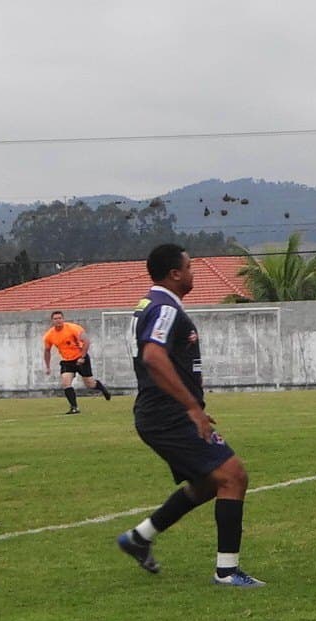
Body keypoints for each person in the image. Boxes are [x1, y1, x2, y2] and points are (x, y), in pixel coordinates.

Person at [113, 244, 263, 587]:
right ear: (175, 274)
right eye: (190, 267)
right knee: (233, 476)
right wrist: (192, 407)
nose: (193, 273)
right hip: (169, 415)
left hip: (160, 413)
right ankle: (227, 572)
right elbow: (153, 356)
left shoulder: (152, 304)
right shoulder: (165, 308)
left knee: (210, 482)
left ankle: (139, 537)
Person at [42, 311, 112, 414]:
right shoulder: (49, 335)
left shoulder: (73, 328)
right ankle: (74, 407)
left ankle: (101, 388)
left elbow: (86, 341)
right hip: (67, 361)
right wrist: (47, 366)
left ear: (63, 319)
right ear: (52, 321)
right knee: (66, 383)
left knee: (89, 384)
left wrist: (82, 357)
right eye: (55, 319)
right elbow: (47, 350)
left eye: (60, 318)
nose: (58, 321)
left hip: (80, 358)